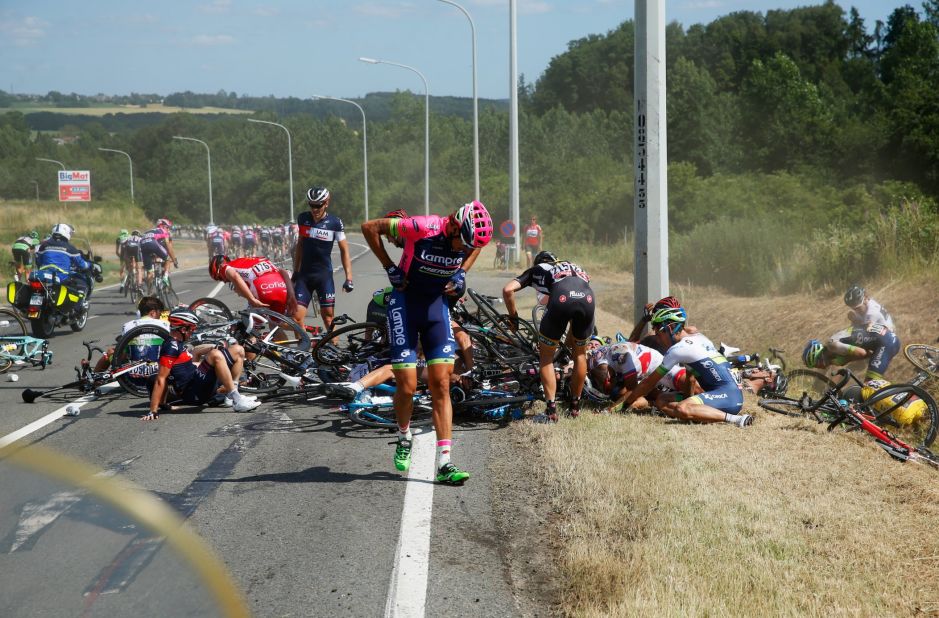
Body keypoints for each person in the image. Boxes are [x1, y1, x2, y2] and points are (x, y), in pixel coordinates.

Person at [360, 199, 493, 485]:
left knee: (441, 384)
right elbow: (369, 227)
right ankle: (403, 435)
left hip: (436, 308)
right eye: (463, 244)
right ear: (455, 227)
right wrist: (389, 267)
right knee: (407, 386)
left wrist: (462, 272)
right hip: (404, 306)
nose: (465, 250)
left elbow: (477, 245)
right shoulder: (422, 226)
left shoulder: (468, 239)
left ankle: (445, 463)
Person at [502, 250, 595, 422]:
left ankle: (551, 409)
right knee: (580, 355)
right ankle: (575, 406)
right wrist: (569, 343)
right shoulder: (572, 264)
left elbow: (508, 290)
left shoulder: (537, 269)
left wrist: (513, 319)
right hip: (587, 298)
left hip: (562, 297)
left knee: (546, 357)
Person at [622, 307, 752, 427]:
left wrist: (625, 405)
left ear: (671, 328)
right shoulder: (700, 338)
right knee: (662, 399)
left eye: (659, 333)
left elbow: (648, 383)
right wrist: (687, 398)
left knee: (682, 408)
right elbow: (690, 379)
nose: (658, 339)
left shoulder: (678, 350)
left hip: (728, 397)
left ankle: (736, 420)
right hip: (726, 394)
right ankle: (698, 415)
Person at [143, 308, 261, 420]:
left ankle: (232, 396)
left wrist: (205, 363)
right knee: (215, 354)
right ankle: (237, 400)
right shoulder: (171, 347)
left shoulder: (177, 344)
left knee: (238, 350)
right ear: (183, 330)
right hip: (194, 392)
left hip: (197, 381)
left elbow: (185, 367)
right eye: (192, 329)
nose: (192, 333)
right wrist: (153, 411)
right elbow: (161, 379)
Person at [293, 186, 353, 331]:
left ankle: (335, 349)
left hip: (323, 276)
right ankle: (303, 350)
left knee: (328, 318)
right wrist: (296, 270)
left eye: (318, 205)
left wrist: (349, 278)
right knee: (296, 318)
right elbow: (300, 244)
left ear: (326, 203)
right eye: (312, 205)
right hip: (304, 276)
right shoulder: (303, 218)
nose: (315, 209)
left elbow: (344, 250)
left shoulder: (335, 222)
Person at [208, 254, 298, 320]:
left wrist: (252, 299)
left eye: (219, 278)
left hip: (264, 289)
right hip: (282, 287)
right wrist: (291, 294)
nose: (224, 281)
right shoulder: (253, 259)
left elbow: (234, 276)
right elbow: (282, 271)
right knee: (275, 327)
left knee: (249, 326)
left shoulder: (225, 267)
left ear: (219, 267)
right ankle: (300, 332)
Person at [802, 323, 901, 381]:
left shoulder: (833, 345)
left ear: (819, 358)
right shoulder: (834, 355)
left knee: (870, 383)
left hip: (885, 342)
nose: (820, 368)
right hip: (886, 338)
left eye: (816, 365)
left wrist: (871, 355)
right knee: (872, 383)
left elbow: (861, 353)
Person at [93, 296, 168, 372]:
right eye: (160, 314)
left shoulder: (127, 326)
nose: (160, 316)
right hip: (158, 371)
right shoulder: (166, 325)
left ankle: (93, 380)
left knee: (110, 352)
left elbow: (122, 355)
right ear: (153, 313)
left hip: (133, 375)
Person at [34, 223, 92, 300]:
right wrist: (89, 264)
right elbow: (81, 265)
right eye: (70, 233)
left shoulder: (44, 245)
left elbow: (38, 260)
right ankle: (78, 305)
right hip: (61, 276)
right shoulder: (70, 248)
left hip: (43, 275)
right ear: (66, 233)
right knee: (82, 282)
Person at [140, 219, 178, 289]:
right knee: (168, 259)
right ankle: (165, 278)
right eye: (167, 227)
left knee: (149, 271)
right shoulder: (163, 231)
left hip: (143, 245)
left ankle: (150, 291)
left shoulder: (148, 231)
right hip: (152, 244)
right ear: (163, 226)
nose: (168, 229)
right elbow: (168, 246)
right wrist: (174, 260)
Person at [119, 229, 144, 294]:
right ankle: (139, 286)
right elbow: (143, 248)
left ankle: (129, 274)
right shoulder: (140, 238)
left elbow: (123, 244)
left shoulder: (128, 237)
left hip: (128, 249)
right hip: (136, 249)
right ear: (139, 234)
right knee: (139, 269)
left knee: (129, 266)